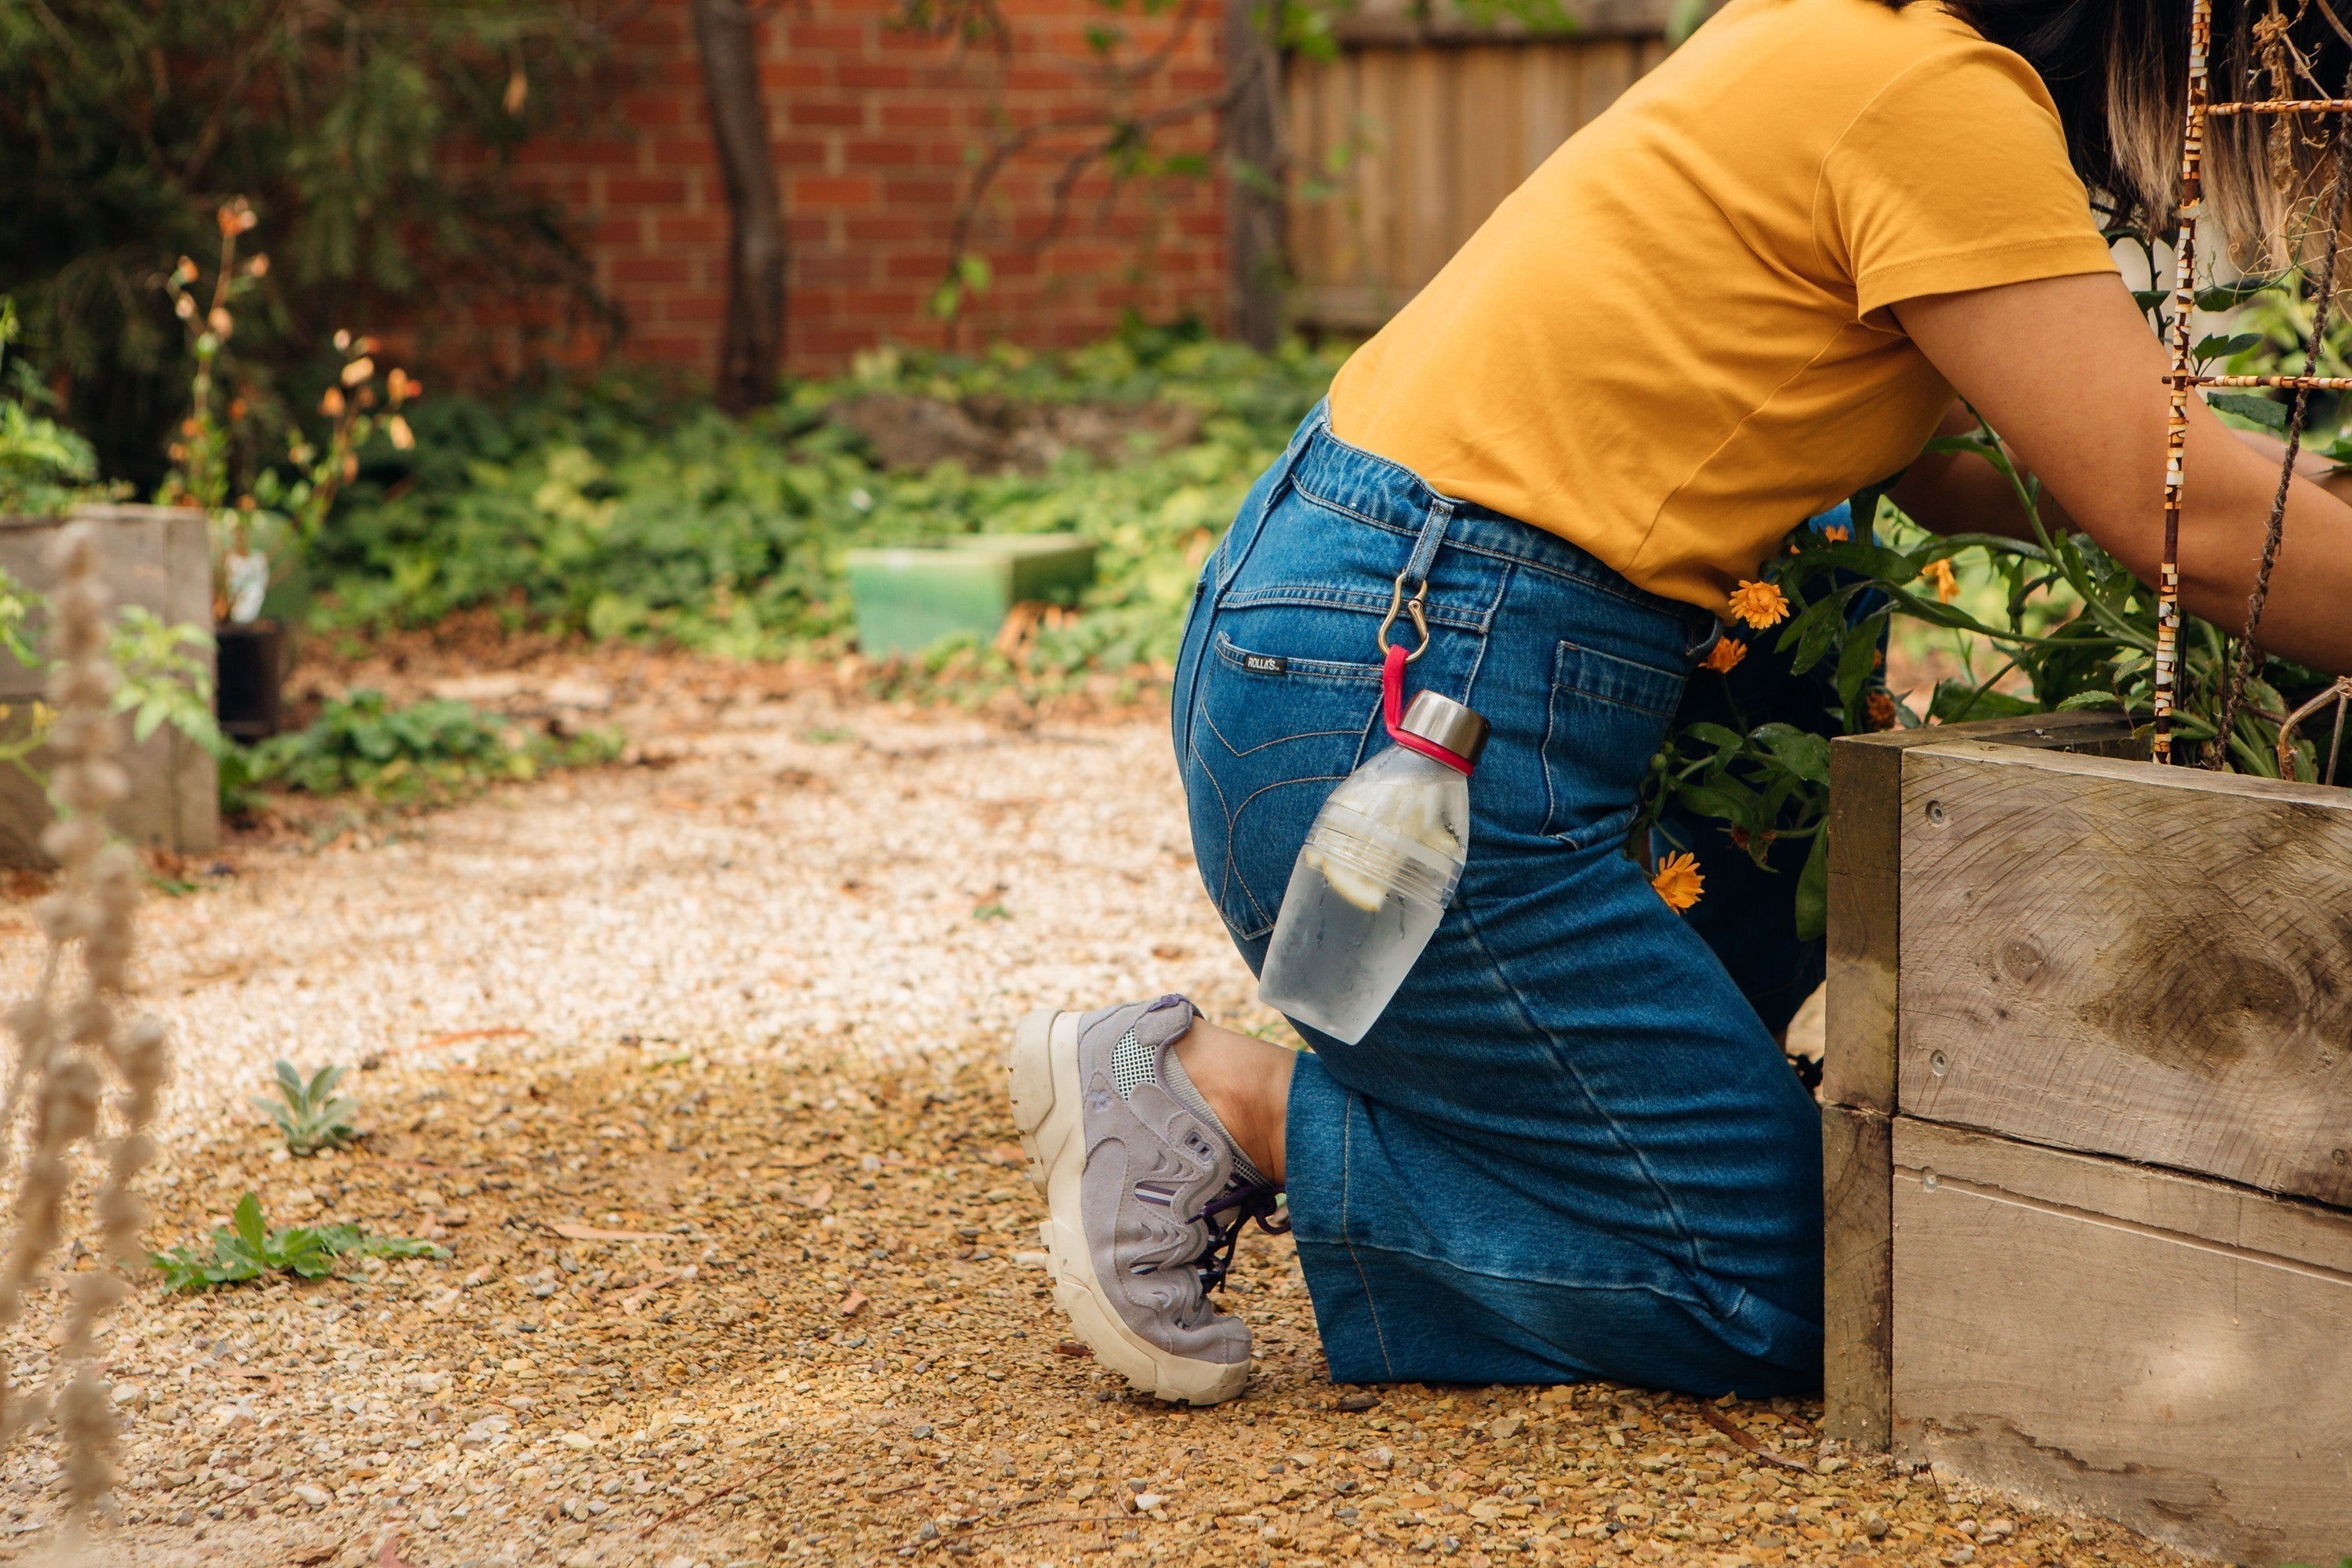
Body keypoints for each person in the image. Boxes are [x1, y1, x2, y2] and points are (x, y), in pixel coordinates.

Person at [1004, 0, 2352, 1406]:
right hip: (1425, 711)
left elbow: (2029, 459)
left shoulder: (1830, 43)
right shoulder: (1939, 102)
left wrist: (2299, 497)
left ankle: (1376, 1114)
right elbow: (2171, 505)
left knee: (1733, 1179)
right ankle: (1234, 1103)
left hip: (1354, 648)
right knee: (1778, 1277)